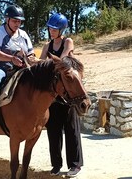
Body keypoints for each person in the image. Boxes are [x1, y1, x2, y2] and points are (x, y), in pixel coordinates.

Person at [40, 13, 83, 178]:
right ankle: (56, 165)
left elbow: (63, 60)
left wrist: (43, 63)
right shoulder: (46, 45)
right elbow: (41, 62)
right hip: (53, 93)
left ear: (61, 29)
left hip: (68, 91)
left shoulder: (68, 42)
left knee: (72, 129)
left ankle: (75, 165)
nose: (51, 31)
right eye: (50, 28)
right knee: (53, 130)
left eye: (55, 28)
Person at [0, 4, 35, 129]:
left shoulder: (23, 34)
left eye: (19, 21)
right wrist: (11, 58)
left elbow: (30, 53)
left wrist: (33, 60)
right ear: (7, 20)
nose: (17, 24)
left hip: (18, 68)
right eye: (14, 21)